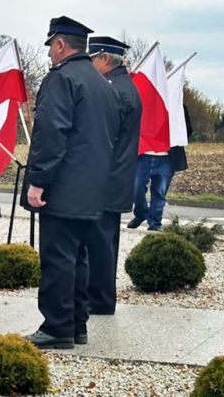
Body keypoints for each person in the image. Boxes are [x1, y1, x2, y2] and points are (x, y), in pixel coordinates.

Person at [21, 16, 121, 349]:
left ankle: (57, 328)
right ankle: (77, 325)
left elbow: (51, 134)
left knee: (58, 259)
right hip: (92, 187)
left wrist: (38, 181)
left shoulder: (61, 78)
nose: (49, 52)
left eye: (51, 46)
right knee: (78, 258)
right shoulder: (100, 82)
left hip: (63, 186)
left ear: (61, 44)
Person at [84, 36, 143, 315]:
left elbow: (98, 136)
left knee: (100, 243)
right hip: (112, 177)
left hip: (106, 178)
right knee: (102, 242)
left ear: (105, 59)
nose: (89, 65)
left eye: (92, 59)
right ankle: (99, 298)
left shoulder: (115, 91)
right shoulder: (120, 87)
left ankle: (99, 300)